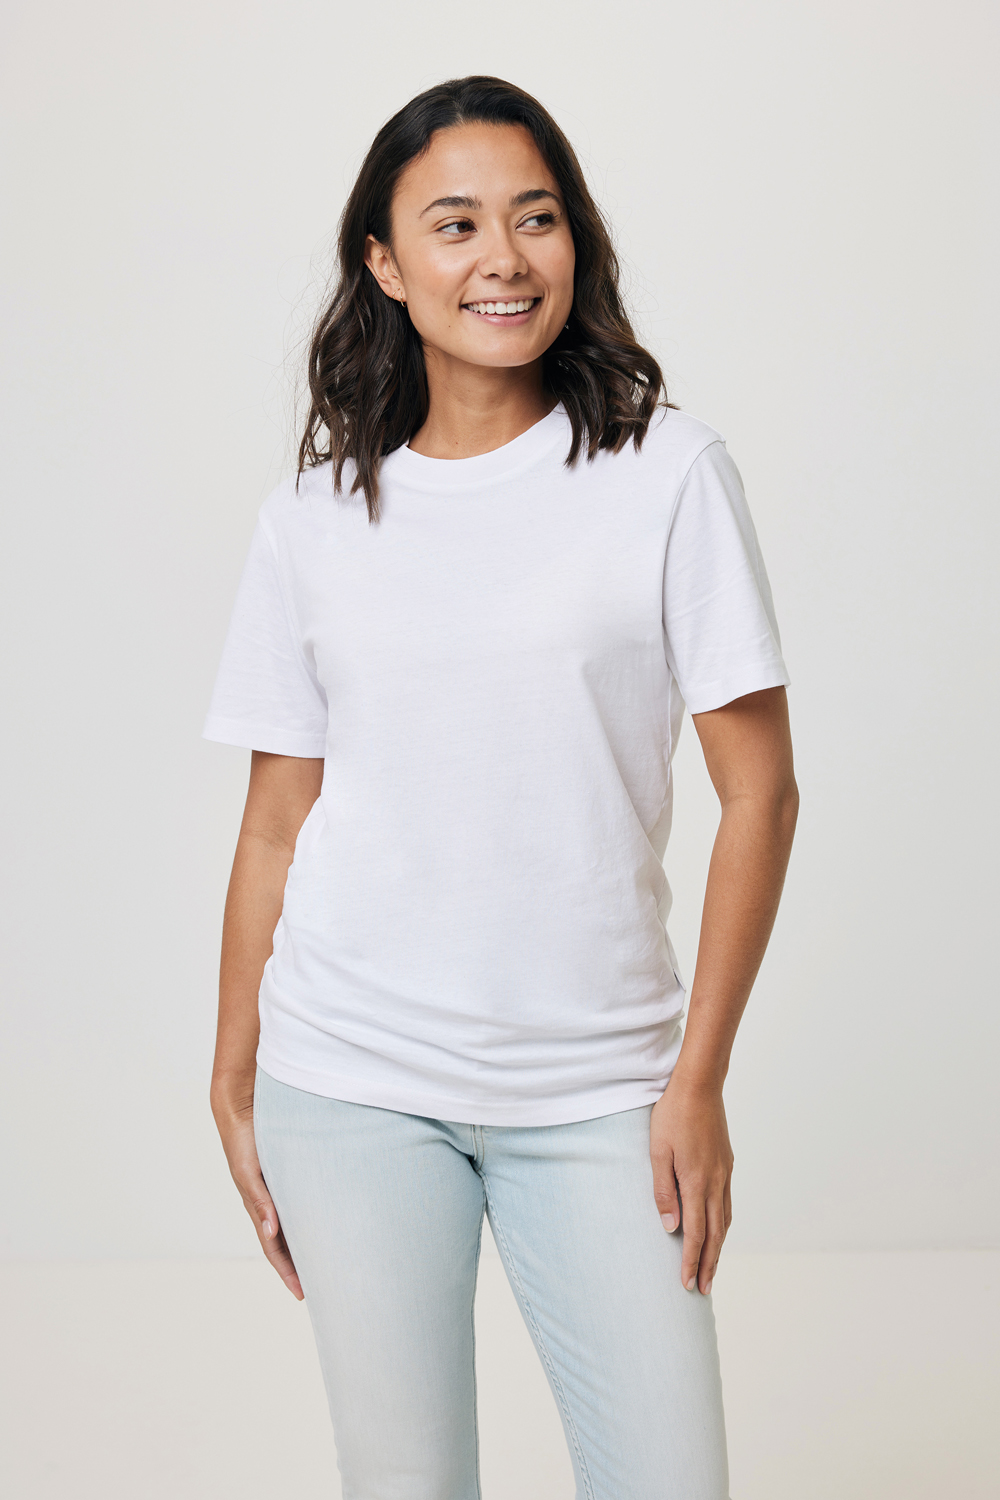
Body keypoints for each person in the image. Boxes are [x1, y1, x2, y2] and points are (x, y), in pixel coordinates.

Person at [204, 74, 798, 1500]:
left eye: (536, 218)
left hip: (601, 1086)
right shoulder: (312, 519)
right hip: (351, 1080)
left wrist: (698, 1079)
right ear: (384, 262)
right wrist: (233, 1067)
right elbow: (277, 823)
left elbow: (762, 794)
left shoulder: (667, 476)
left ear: (575, 241)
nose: (504, 259)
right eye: (456, 224)